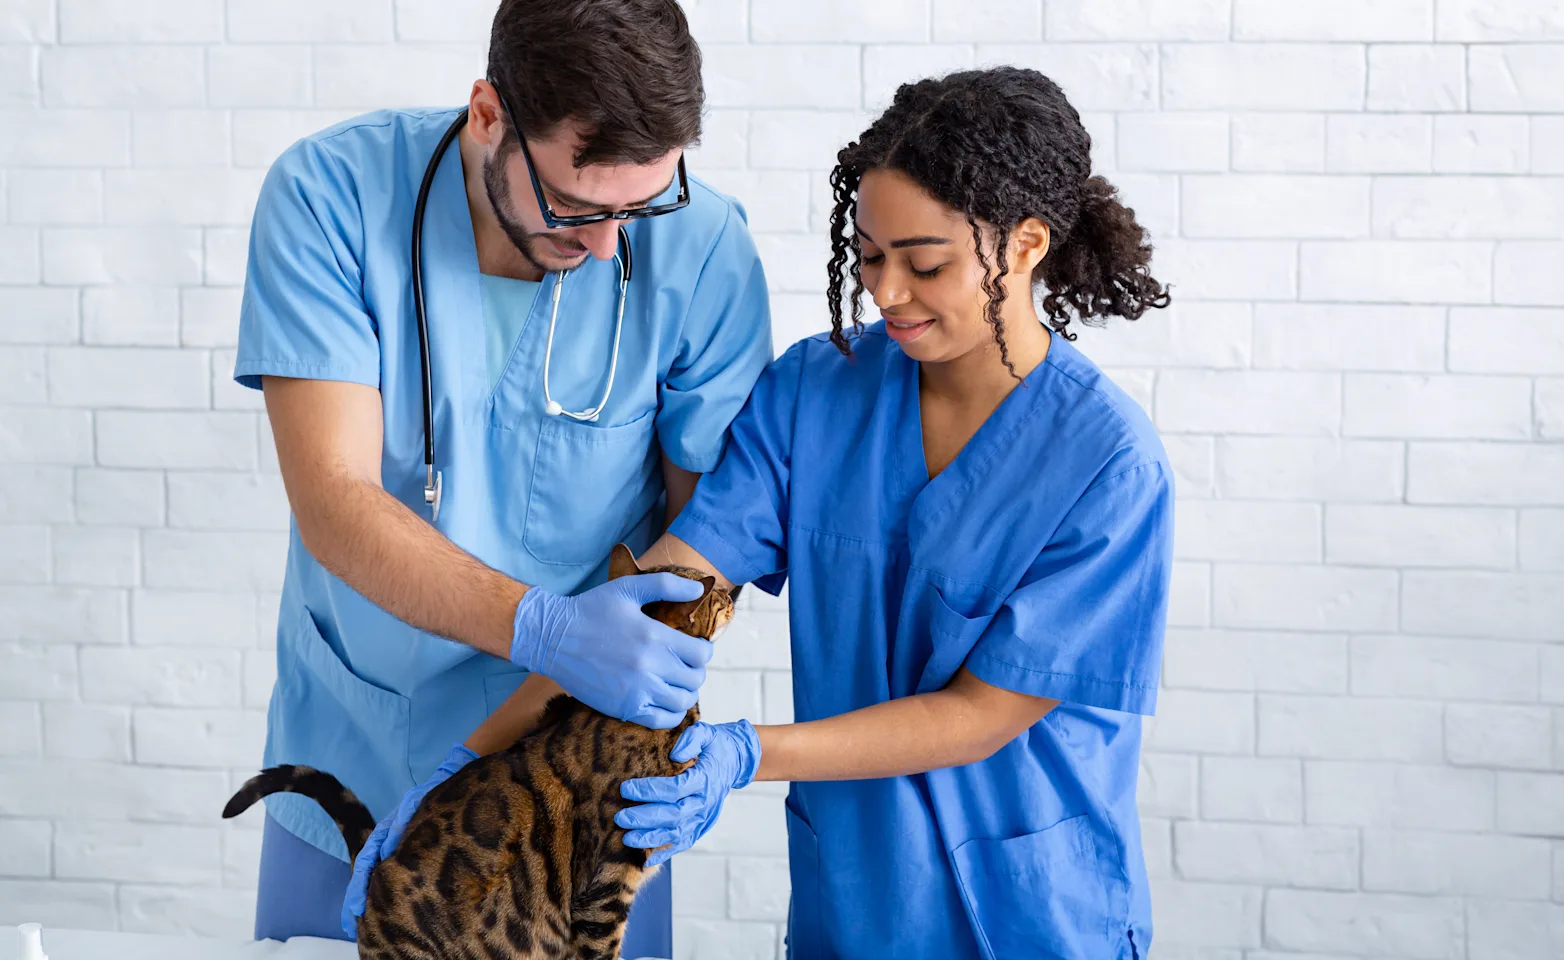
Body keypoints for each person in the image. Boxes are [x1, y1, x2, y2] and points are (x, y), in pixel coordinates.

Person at [353, 65, 1173, 958]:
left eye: (925, 263)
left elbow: (981, 713)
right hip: (854, 905)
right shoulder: (815, 394)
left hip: (1029, 915)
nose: (887, 292)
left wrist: (746, 752)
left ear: (1023, 245)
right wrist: (468, 761)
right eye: (869, 255)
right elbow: (653, 610)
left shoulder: (1107, 466)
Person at [233, 1, 771, 955]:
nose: (609, 244)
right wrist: (545, 629)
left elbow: (706, 541)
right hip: (363, 742)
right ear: (489, 114)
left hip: (579, 806)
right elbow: (335, 498)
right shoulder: (330, 198)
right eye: (576, 204)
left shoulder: (704, 250)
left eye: (639, 207)